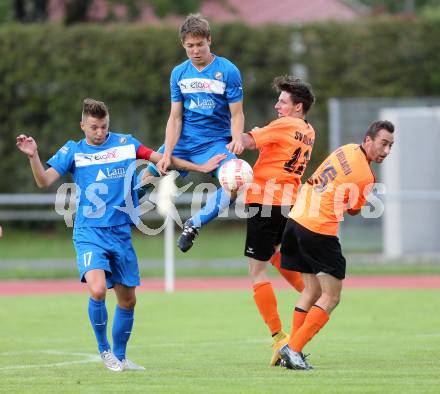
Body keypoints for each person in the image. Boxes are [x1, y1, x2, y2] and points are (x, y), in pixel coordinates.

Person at [16, 98, 224, 372]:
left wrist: (201, 167)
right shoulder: (73, 151)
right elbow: (43, 180)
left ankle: (122, 356)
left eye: (103, 126)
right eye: (94, 128)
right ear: (82, 126)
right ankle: (105, 351)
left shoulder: (127, 144)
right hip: (89, 232)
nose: (100, 132)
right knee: (98, 289)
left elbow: (162, 158)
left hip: (120, 233)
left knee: (128, 300)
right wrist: (33, 157)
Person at [278, 120, 395, 370]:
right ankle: (294, 349)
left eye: (390, 146)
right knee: (331, 296)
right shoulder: (365, 176)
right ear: (368, 140)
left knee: (310, 291)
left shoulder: (346, 149)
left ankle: (292, 352)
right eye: (383, 144)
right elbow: (353, 210)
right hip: (317, 229)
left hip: (296, 220)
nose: (386, 151)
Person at [143, 13, 245, 252]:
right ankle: (117, 219)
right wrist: (167, 153)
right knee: (146, 177)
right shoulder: (178, 73)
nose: (196, 50)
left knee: (235, 184)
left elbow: (237, 114)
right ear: (183, 45)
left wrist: (237, 139)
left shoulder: (227, 71)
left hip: (215, 144)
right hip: (184, 142)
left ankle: (193, 224)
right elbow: (175, 117)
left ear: (209, 40)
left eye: (200, 44)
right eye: (190, 46)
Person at [240, 75, 315, 366]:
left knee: (257, 272)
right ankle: (311, 297)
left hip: (264, 201)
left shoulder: (283, 124)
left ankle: (279, 338)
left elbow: (245, 143)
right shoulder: (309, 130)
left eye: (282, 102)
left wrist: (236, 129)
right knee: (277, 258)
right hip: (289, 203)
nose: (277, 106)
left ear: (298, 107)